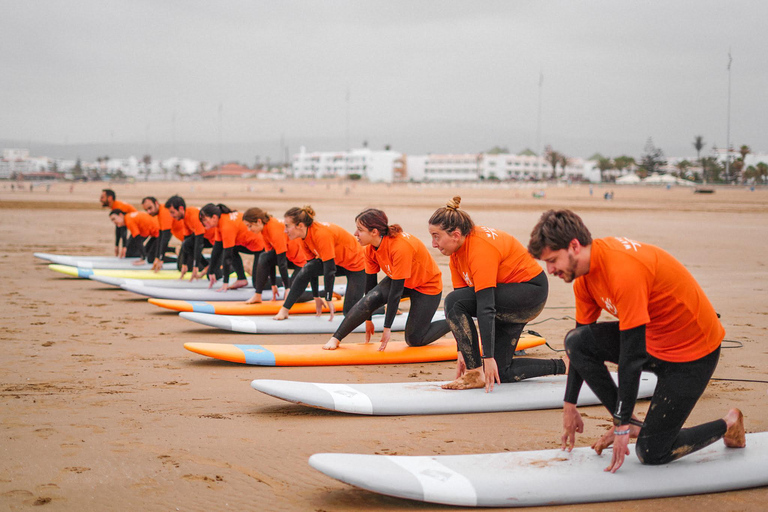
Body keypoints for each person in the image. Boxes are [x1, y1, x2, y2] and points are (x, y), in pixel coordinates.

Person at [527, 209, 745, 474]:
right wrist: (569, 405)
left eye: (552, 260)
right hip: (653, 340)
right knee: (577, 341)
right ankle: (632, 422)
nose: (549, 270)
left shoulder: (622, 269)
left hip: (693, 353)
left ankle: (729, 423)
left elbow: (632, 358)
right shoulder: (584, 281)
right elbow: (579, 348)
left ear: (574, 246)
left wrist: (619, 426)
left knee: (652, 452)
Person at [429, 197, 565, 393]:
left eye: (436, 236)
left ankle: (474, 374)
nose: (433, 244)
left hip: (529, 292)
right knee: (501, 372)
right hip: (506, 295)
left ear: (456, 235)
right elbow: (464, 304)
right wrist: (463, 350)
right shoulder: (456, 255)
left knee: (452, 300)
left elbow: (485, 306)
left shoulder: (480, 249)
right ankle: (564, 365)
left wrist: (486, 357)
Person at [323, 208, 449, 351]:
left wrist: (387, 328)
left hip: (427, 287)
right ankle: (335, 338)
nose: (355, 234)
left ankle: (455, 321)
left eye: (360, 230)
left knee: (414, 339)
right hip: (402, 279)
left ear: (374, 232)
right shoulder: (370, 249)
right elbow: (370, 288)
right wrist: (368, 320)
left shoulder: (399, 247)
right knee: (372, 297)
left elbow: (395, 293)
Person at [273, 206, 365, 321]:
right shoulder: (303, 237)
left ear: (300, 226)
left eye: (287, 226)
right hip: (338, 262)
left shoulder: (321, 234)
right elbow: (311, 270)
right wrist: (316, 296)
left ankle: (382, 308)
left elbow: (329, 270)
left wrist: (328, 298)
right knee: (306, 270)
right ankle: (284, 310)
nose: (284, 230)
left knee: (350, 311)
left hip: (357, 264)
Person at [242, 207, 308, 304]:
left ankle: (324, 294)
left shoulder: (274, 229)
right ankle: (257, 295)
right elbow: (270, 261)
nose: (248, 229)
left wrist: (287, 288)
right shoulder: (264, 231)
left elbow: (282, 263)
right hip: (290, 257)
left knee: (293, 296)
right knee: (264, 256)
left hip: (302, 261)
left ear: (259, 221)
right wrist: (273, 285)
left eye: (249, 226)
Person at [198, 204, 265, 292]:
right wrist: (211, 271)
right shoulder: (220, 222)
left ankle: (282, 282)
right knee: (230, 249)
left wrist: (225, 282)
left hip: (260, 246)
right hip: (248, 244)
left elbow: (227, 257)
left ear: (214, 217)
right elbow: (216, 249)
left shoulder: (226, 226)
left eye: (205, 220)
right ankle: (241, 278)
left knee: (257, 284)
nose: (204, 224)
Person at [166, 195, 209, 280]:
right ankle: (208, 266)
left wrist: (196, 266)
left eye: (172, 212)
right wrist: (184, 265)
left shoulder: (193, 216)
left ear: (181, 209)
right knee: (186, 248)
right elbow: (186, 242)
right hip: (205, 238)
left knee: (214, 274)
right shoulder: (185, 218)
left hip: (215, 240)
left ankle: (217, 266)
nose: (171, 216)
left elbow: (199, 243)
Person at [141, 196, 175, 271]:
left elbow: (165, 238)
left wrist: (160, 259)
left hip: (189, 236)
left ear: (156, 203)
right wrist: (157, 258)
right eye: (146, 210)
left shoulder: (165, 212)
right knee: (151, 257)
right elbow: (161, 236)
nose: (149, 212)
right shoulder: (160, 213)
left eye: (150, 208)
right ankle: (176, 252)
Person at [100, 189, 136, 257]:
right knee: (129, 250)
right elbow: (118, 228)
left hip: (141, 228)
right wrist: (117, 246)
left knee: (129, 251)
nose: (100, 200)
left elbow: (123, 230)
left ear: (110, 198)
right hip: (136, 229)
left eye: (102, 197)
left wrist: (124, 247)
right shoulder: (115, 206)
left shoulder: (119, 207)